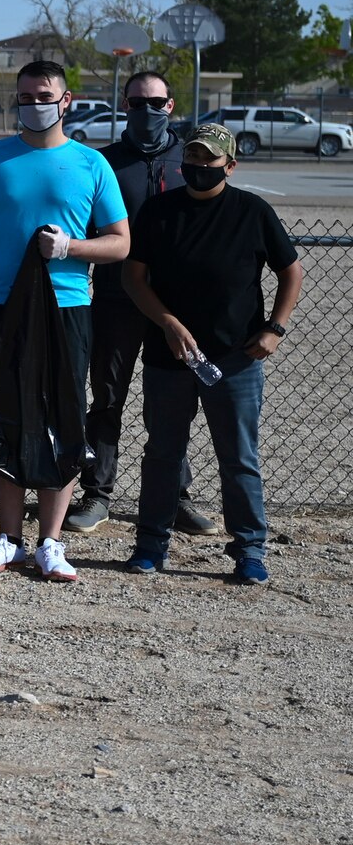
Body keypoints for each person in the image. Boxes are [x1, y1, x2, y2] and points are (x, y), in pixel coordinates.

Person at [0, 61, 128, 585]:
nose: (33, 104)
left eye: (43, 95)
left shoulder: (91, 164)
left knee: (61, 416)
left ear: (66, 101)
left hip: (67, 308)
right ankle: (9, 538)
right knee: (3, 413)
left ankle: (51, 541)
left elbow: (120, 242)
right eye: (24, 96)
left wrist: (70, 247)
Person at [121, 125, 302, 583]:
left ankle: (249, 550)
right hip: (170, 357)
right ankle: (150, 545)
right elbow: (134, 279)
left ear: (230, 165)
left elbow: (291, 271)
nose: (199, 168)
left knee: (238, 456)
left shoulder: (251, 211)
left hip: (234, 358)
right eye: (193, 159)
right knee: (163, 453)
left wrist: (273, 330)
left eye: (210, 160)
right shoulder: (160, 211)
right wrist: (168, 323)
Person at [69, 71, 209, 536]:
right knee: (107, 397)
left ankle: (176, 495)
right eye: (137, 103)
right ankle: (98, 492)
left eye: (156, 103)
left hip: (176, 305)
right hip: (115, 300)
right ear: (124, 105)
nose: (146, 111)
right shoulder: (102, 162)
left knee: (170, 401)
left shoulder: (189, 160)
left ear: (171, 105)